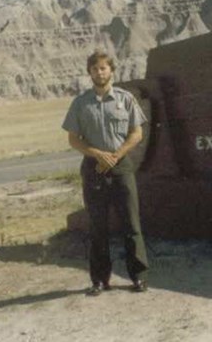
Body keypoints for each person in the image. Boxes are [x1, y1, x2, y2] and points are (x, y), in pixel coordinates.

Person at [62, 50, 149, 296]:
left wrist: (116, 154)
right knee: (97, 227)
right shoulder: (81, 103)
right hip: (94, 168)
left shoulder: (125, 99)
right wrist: (97, 154)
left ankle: (139, 276)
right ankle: (100, 280)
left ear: (111, 70)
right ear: (89, 73)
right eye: (94, 69)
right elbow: (73, 139)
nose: (99, 73)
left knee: (131, 224)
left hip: (121, 168)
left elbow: (137, 133)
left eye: (103, 68)